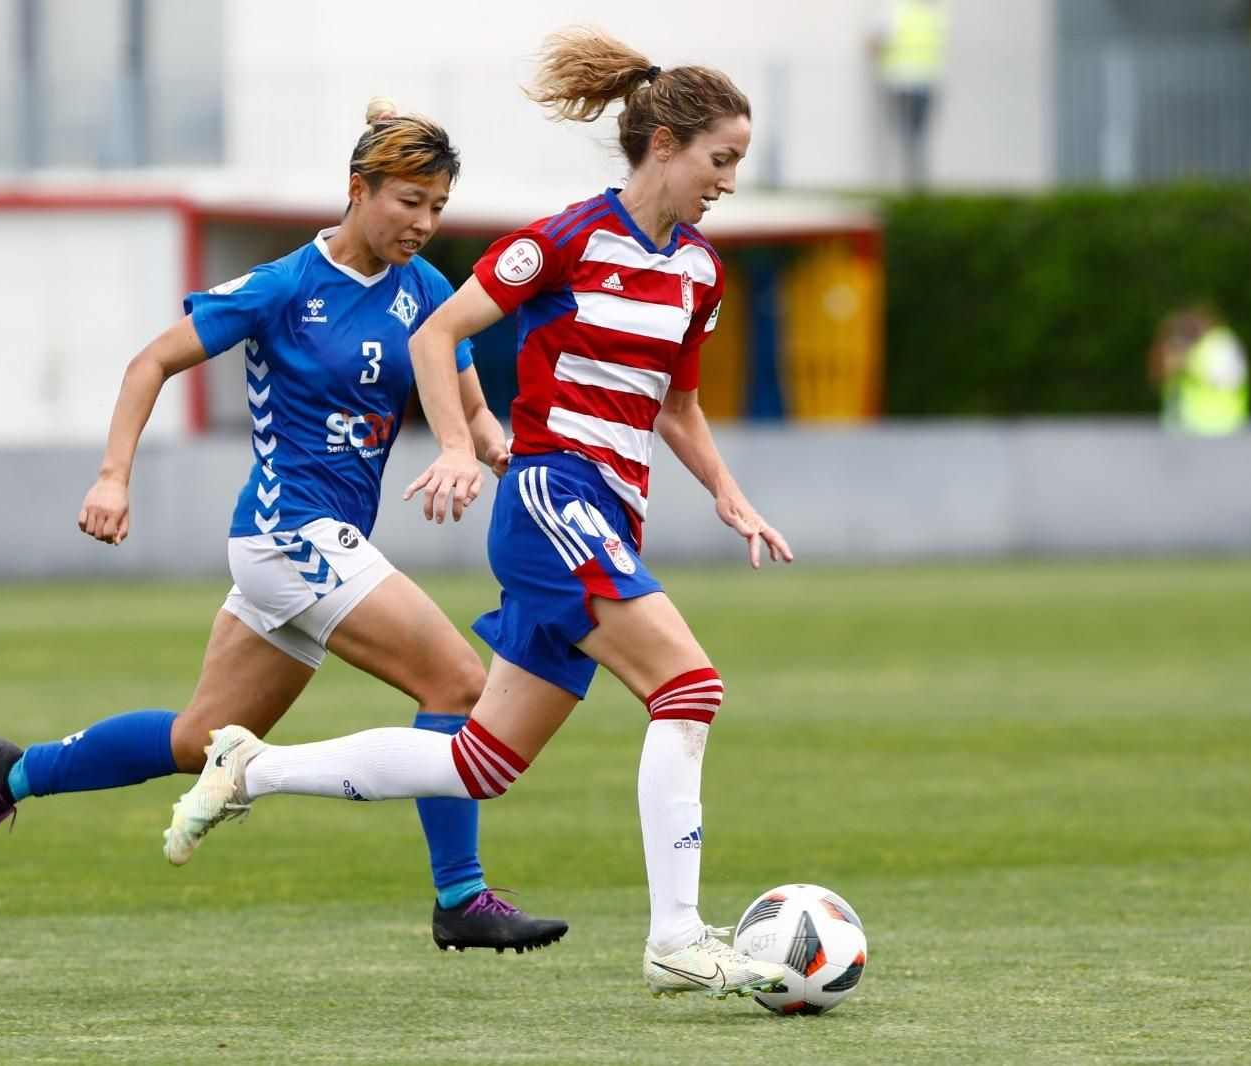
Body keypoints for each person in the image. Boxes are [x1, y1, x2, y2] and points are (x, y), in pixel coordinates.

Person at [164, 27, 795, 1000]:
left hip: (609, 516)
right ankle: (677, 935)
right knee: (688, 687)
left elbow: (675, 405)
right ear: (663, 145)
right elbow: (438, 331)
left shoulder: (699, 272)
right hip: (551, 496)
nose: (729, 179)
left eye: (738, 162)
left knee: (482, 759)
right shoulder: (564, 238)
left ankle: (253, 769)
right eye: (722, 158)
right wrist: (460, 446)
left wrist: (727, 492)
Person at [0, 97, 567, 955]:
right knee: (457, 684)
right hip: (286, 533)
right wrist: (113, 477)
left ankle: (11, 772)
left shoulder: (427, 292)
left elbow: (475, 411)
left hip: (323, 545)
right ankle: (460, 898)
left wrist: (499, 455)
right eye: (407, 203)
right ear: (358, 189)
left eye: (437, 208)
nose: (423, 224)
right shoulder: (284, 286)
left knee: (199, 740)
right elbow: (150, 360)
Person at [871, 0, 949, 188]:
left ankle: (914, 186)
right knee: (908, 140)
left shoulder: (933, 9)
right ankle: (910, 186)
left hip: (921, 83)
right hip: (901, 84)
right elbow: (874, 42)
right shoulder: (896, 7)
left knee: (914, 140)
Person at [1148, 305, 1249, 436]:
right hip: (1182, 431)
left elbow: (1227, 379)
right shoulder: (1179, 348)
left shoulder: (1218, 343)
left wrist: (1188, 365)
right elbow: (1157, 378)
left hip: (1220, 428)